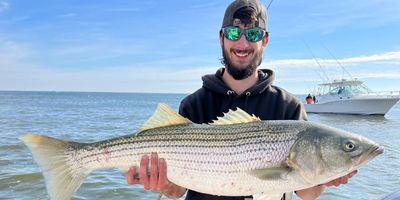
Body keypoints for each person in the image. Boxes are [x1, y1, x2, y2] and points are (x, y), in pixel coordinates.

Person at [126, 0, 357, 199]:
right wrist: (161, 182)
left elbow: (306, 193)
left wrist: (326, 177)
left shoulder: (289, 106)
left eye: (253, 34)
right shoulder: (193, 104)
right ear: (221, 38)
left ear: (265, 40)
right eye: (234, 33)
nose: (243, 44)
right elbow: (177, 191)